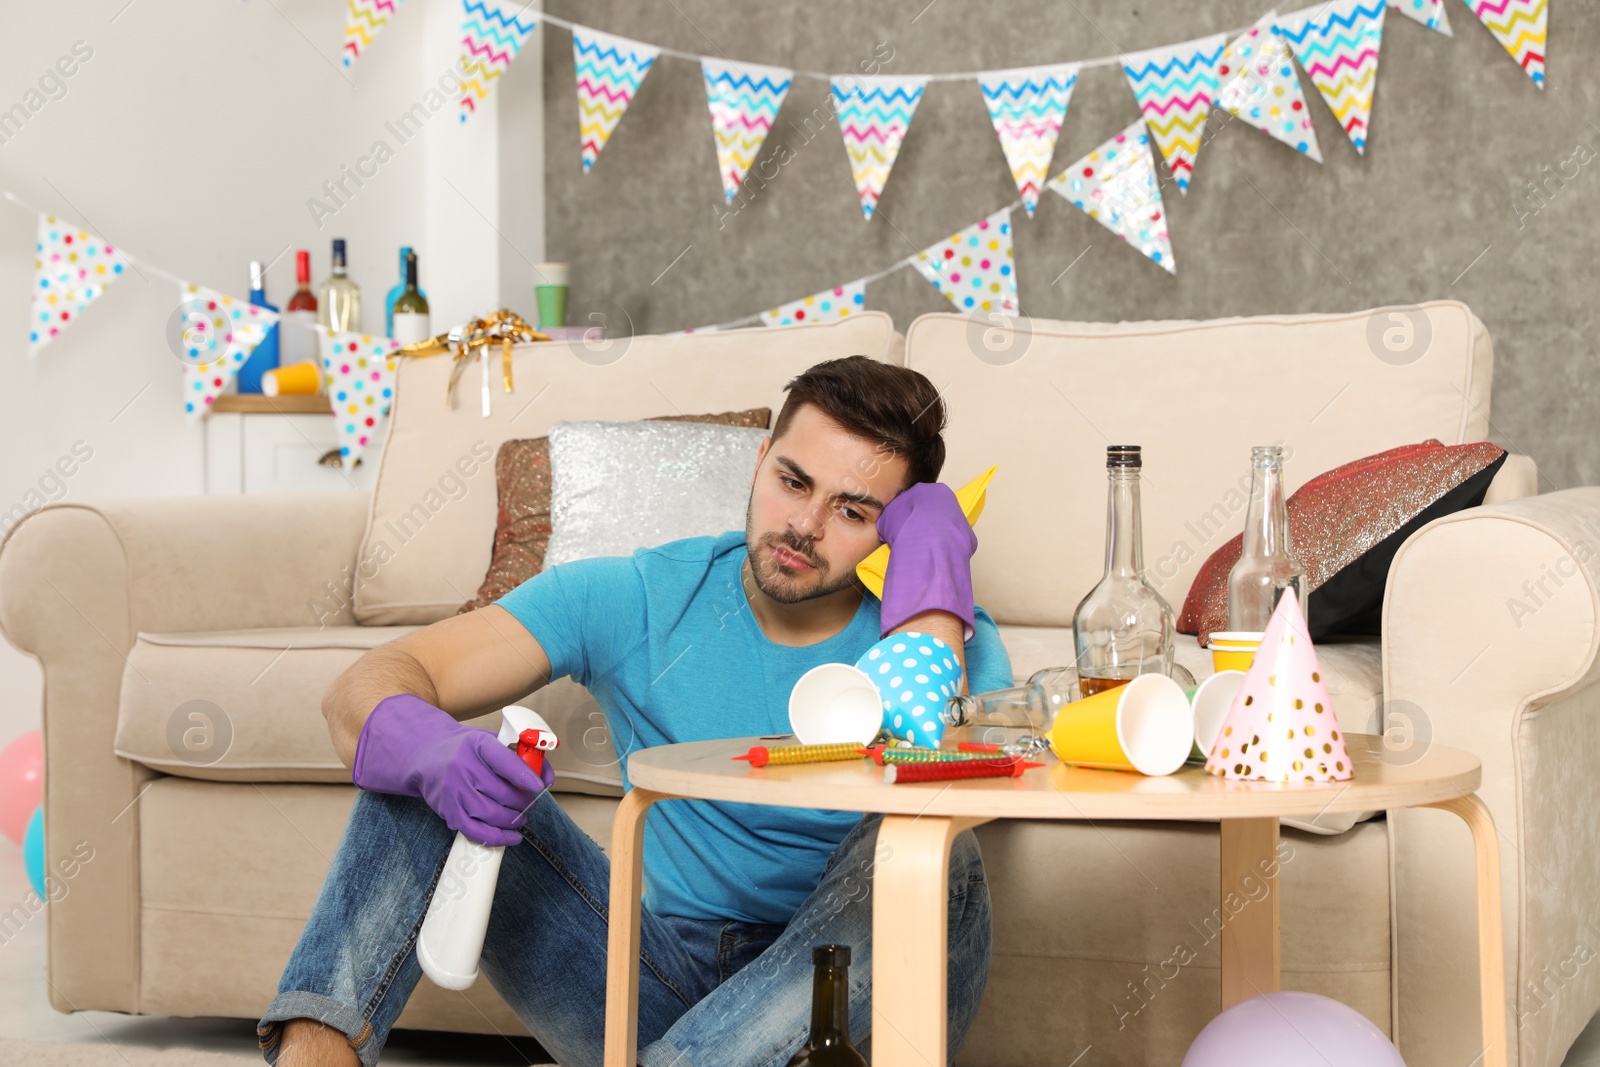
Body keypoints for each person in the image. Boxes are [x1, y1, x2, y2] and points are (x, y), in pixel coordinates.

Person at [257, 356, 1013, 1067]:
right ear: (759, 462)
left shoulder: (942, 632)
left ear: (901, 525)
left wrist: (930, 593)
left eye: (852, 508)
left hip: (843, 995)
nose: (805, 525)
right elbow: (373, 682)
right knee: (415, 768)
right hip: (664, 977)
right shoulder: (638, 596)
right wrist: (428, 751)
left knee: (932, 852)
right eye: (792, 481)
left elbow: (966, 773)